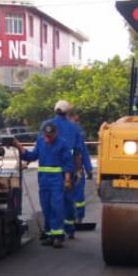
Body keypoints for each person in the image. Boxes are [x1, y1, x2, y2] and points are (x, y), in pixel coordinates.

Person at [21, 121, 74, 247]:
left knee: (57, 207)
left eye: (50, 136)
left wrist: (67, 180)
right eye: (45, 136)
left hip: (57, 181)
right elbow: (32, 156)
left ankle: (58, 236)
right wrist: (18, 146)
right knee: (46, 208)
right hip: (44, 181)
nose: (47, 139)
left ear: (56, 134)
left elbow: (68, 163)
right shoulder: (40, 141)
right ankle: (49, 234)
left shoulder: (62, 143)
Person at [52, 100, 93, 239]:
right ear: (69, 114)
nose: (76, 120)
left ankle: (59, 228)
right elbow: (82, 151)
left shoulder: (49, 126)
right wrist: (88, 169)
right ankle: (74, 222)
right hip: (73, 169)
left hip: (57, 170)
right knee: (73, 197)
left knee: (58, 199)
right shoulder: (75, 130)